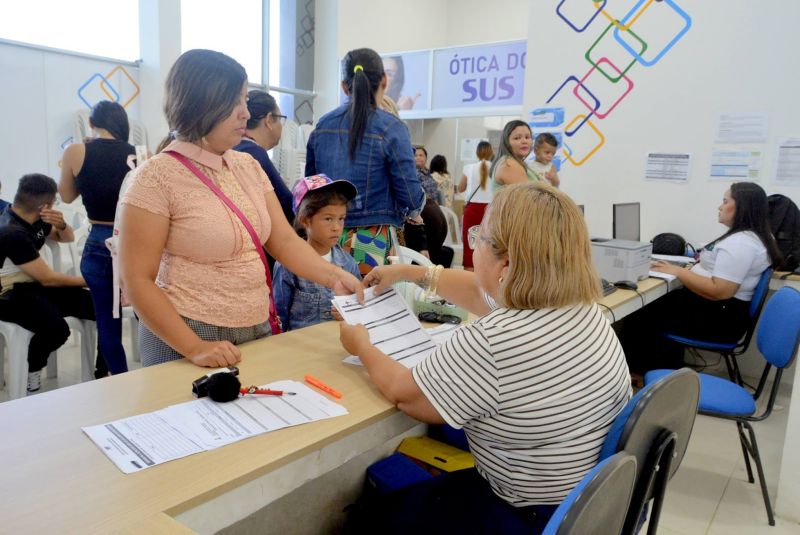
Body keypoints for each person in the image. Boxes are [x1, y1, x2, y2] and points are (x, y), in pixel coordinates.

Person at [340, 183, 631, 533]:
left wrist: (361, 345)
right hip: (587, 506)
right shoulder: (582, 311)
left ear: (505, 262)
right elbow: (482, 293)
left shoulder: (496, 339)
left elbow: (406, 394)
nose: (474, 242)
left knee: (372, 517)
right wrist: (413, 272)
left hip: (527, 514)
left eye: (479, 236)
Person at [119, 49, 363, 368]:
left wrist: (335, 276)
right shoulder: (155, 177)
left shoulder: (247, 165)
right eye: (235, 102)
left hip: (255, 329)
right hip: (186, 333)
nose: (245, 114)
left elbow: (285, 242)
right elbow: (136, 278)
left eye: (245, 100)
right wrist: (194, 347)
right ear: (202, 104)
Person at [618, 182, 782, 373]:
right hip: (722, 312)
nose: (720, 206)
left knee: (640, 313)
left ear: (742, 207)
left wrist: (679, 272)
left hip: (718, 319)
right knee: (657, 305)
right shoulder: (753, 236)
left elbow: (720, 291)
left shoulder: (741, 244)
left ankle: (639, 374)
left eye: (725, 201)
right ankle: (660, 371)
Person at [306, 47, 425, 275]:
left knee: (329, 306)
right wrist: (415, 210)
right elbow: (409, 194)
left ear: (344, 86)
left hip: (325, 236)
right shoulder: (392, 127)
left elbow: (311, 186)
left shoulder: (322, 126)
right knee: (369, 305)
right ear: (384, 81)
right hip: (372, 237)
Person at [0, 174, 96, 393]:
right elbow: (49, 278)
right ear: (45, 204)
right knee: (57, 329)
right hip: (10, 294)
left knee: (96, 305)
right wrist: (91, 281)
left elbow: (67, 238)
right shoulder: (11, 232)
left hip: (35, 286)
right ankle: (32, 367)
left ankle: (101, 370)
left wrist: (61, 224)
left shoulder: (35, 217)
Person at [58, 100, 135, 375]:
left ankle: (119, 380)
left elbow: (66, 196)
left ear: (92, 123)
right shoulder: (140, 154)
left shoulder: (76, 151)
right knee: (149, 317)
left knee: (107, 322)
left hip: (98, 242)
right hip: (135, 241)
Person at [273, 175, 361, 331]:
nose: (336, 227)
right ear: (305, 220)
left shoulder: (348, 264)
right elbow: (280, 314)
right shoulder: (288, 265)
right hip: (300, 346)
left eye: (341, 218)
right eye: (328, 219)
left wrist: (347, 313)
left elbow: (358, 309)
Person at [233, 89, 294, 226]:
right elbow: (287, 204)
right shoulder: (254, 153)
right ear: (268, 120)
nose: (281, 126)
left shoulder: (232, 149)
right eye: (280, 119)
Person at [403, 146, 450, 266]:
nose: (418, 157)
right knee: (426, 259)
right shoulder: (412, 174)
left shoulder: (427, 174)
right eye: (415, 155)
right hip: (426, 215)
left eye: (421, 155)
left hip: (430, 213)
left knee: (427, 260)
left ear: (426, 158)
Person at [491, 120, 559, 192]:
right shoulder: (509, 164)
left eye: (527, 137)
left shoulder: (519, 163)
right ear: (507, 142)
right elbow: (530, 198)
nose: (524, 141)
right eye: (517, 138)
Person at [458, 141, 494, 271]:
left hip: (472, 210)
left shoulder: (469, 167)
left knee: (470, 245)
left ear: (477, 153)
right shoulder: (496, 167)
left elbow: (461, 188)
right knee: (489, 245)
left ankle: (469, 276)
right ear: (491, 152)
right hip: (491, 210)